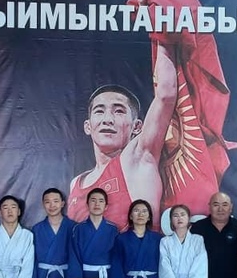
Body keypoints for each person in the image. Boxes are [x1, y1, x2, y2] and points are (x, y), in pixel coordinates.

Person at [66, 43, 177, 230]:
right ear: (88, 126)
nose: (107, 120)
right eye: (99, 111)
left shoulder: (137, 160)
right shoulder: (75, 184)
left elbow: (165, 96)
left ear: (137, 127)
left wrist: (164, 37)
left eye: (118, 111)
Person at [108, 199, 162, 278]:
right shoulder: (121, 239)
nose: (140, 214)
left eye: (144, 211)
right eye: (136, 211)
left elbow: (164, 267)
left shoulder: (159, 239)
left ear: (149, 217)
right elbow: (116, 267)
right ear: (131, 216)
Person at [32, 188, 77, 278]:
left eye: (56, 201)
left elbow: (76, 257)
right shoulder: (37, 229)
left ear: (63, 203)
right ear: (43, 204)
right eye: (48, 202)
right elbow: (33, 260)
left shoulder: (73, 227)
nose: (52, 205)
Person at [68, 188, 118, 278]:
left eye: (101, 201)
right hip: (86, 277)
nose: (97, 204)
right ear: (87, 204)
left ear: (106, 206)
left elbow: (117, 260)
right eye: (93, 200)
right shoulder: (78, 229)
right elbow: (74, 259)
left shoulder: (113, 229)